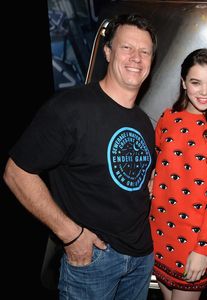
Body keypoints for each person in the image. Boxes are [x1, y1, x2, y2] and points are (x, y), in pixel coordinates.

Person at [3, 14, 157, 300]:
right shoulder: (70, 108)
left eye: (144, 51)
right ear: (108, 52)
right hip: (94, 261)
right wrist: (71, 235)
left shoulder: (144, 122)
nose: (136, 57)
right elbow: (16, 172)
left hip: (141, 259)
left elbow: (136, 182)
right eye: (127, 48)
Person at [149, 48, 207, 300]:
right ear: (183, 83)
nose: (204, 91)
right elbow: (158, 163)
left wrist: (202, 249)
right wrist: (152, 178)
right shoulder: (168, 118)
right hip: (159, 231)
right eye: (195, 82)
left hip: (195, 239)